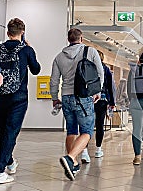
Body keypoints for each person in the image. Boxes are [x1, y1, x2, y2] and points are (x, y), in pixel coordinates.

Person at [0, 18, 41, 184]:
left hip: (0, 96)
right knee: (11, 132)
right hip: (19, 97)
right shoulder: (26, 50)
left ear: (8, 33)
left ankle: (10, 162)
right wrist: (30, 48)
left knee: (3, 132)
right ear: (22, 32)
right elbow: (36, 70)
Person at [50, 28, 103, 181]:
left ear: (68, 40)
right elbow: (100, 73)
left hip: (66, 97)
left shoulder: (59, 57)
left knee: (71, 130)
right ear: (81, 39)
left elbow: (54, 80)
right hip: (83, 96)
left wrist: (54, 97)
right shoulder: (90, 52)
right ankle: (70, 157)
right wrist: (97, 91)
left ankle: (72, 165)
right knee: (87, 132)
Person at [81, 50, 116, 162]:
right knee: (100, 124)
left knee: (86, 124)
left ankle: (84, 151)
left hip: (87, 99)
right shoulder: (105, 69)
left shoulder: (86, 67)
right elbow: (110, 86)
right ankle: (98, 149)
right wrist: (112, 102)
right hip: (102, 99)